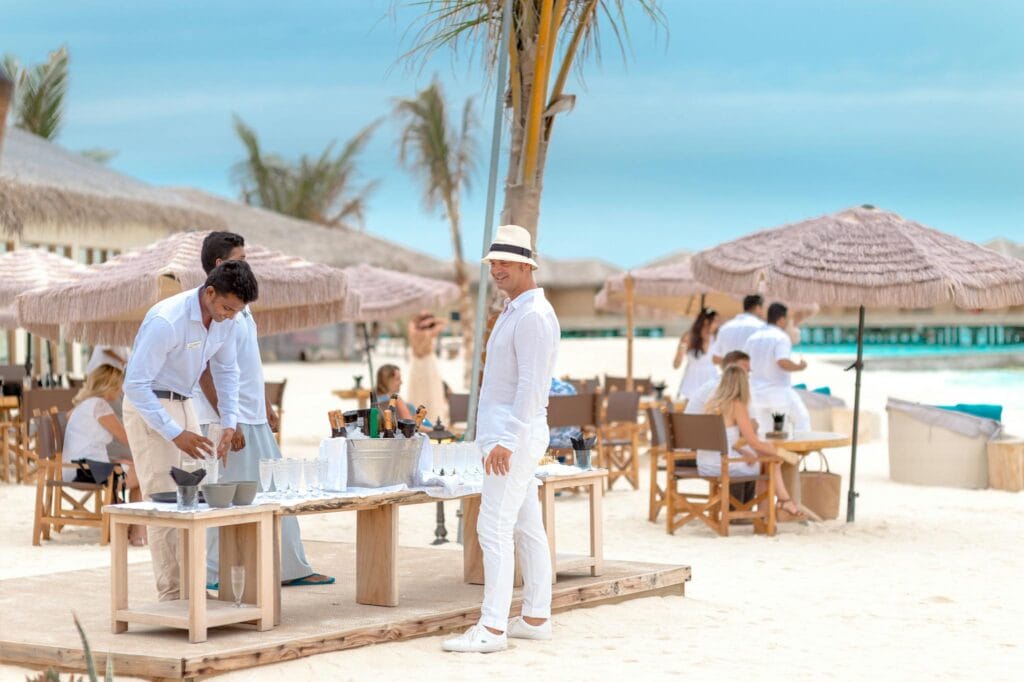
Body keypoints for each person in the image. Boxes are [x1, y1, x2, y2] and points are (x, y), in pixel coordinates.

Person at [442, 224, 559, 653]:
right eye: (493, 263)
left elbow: (530, 386)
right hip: (510, 435)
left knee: (492, 527)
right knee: (527, 526)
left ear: (527, 266)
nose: (497, 270)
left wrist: (507, 440)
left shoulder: (532, 316)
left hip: (515, 436)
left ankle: (492, 629)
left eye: (506, 262)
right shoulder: (517, 310)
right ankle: (535, 616)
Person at [194, 231, 334, 588]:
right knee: (223, 497)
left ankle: (291, 567)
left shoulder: (242, 307)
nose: (248, 264)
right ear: (220, 264)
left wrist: (266, 403)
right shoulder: (213, 309)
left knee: (276, 493)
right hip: (230, 421)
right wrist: (230, 420)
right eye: (241, 259)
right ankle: (213, 575)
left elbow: (247, 362)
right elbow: (205, 370)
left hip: (253, 415)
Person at [122, 259, 257, 601]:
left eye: (237, 310)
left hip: (186, 402)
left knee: (196, 497)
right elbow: (135, 385)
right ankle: (172, 593)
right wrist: (174, 433)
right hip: (149, 404)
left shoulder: (229, 320)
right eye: (227, 307)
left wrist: (229, 422)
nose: (230, 315)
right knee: (166, 500)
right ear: (209, 292)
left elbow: (227, 372)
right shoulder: (167, 321)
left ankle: (192, 590)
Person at [700, 365, 803, 517]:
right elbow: (754, 442)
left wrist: (743, 451)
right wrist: (783, 453)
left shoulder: (710, 404)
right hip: (724, 464)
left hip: (705, 464)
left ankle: (779, 503)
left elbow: (722, 440)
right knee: (771, 462)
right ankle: (772, 509)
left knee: (764, 461)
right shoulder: (736, 405)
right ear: (742, 384)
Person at [62, 364, 146, 546]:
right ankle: (136, 531)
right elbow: (125, 438)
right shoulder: (100, 405)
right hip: (85, 471)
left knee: (130, 466)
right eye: (120, 385)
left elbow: (71, 418)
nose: (121, 390)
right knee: (141, 473)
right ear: (111, 385)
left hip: (74, 468)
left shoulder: (84, 404)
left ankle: (132, 527)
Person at [743, 302, 810, 434]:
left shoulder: (752, 338)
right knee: (801, 422)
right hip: (778, 394)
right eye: (787, 320)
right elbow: (782, 361)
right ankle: (796, 453)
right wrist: (800, 367)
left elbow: (744, 363)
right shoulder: (781, 337)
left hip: (756, 393)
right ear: (781, 320)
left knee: (766, 431)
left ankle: (771, 454)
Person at [405, 311, 449, 426]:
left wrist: (425, 321)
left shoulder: (414, 331)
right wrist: (432, 321)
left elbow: (411, 322)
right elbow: (444, 322)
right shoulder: (429, 332)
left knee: (428, 391)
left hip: (421, 364)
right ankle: (425, 420)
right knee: (427, 391)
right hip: (426, 364)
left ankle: (424, 420)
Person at [684, 350, 751, 416]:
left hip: (697, 423)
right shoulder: (719, 386)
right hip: (697, 425)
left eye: (748, 370)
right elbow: (713, 415)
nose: (747, 375)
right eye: (743, 369)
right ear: (731, 369)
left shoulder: (721, 383)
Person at [673, 308, 719, 403]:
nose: (717, 324)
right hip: (693, 379)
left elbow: (718, 361)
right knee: (691, 412)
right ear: (706, 322)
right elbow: (676, 365)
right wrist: (681, 351)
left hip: (711, 377)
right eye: (715, 321)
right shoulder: (689, 337)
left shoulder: (715, 338)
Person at [710, 295, 765, 365]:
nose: (762, 312)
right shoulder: (762, 328)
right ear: (757, 308)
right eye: (762, 309)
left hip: (729, 374)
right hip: (753, 374)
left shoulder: (725, 328)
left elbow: (715, 358)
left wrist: (732, 365)